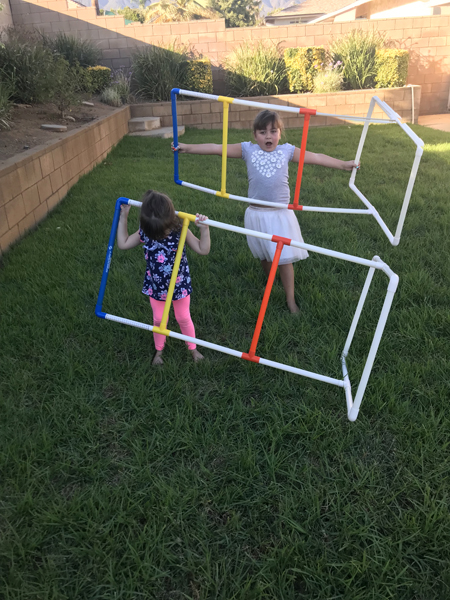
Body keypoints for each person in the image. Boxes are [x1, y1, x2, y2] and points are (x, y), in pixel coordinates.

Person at [172, 109, 359, 313]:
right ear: (254, 135)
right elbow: (218, 148)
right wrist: (187, 148)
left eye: (273, 131)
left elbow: (316, 157)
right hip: (256, 214)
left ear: (280, 133)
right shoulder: (247, 150)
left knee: (284, 259)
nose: (268, 136)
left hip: (280, 215)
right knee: (264, 255)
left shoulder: (287, 151)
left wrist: (343, 165)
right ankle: (271, 283)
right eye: (262, 132)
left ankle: (290, 299)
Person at [117, 189, 210, 366]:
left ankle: (193, 349)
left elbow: (202, 249)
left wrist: (204, 230)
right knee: (159, 319)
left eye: (163, 231)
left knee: (183, 317)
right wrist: (124, 217)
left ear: (171, 221)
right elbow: (123, 243)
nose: (160, 235)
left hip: (179, 285)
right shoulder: (146, 231)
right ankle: (159, 350)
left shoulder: (181, 230)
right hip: (156, 286)